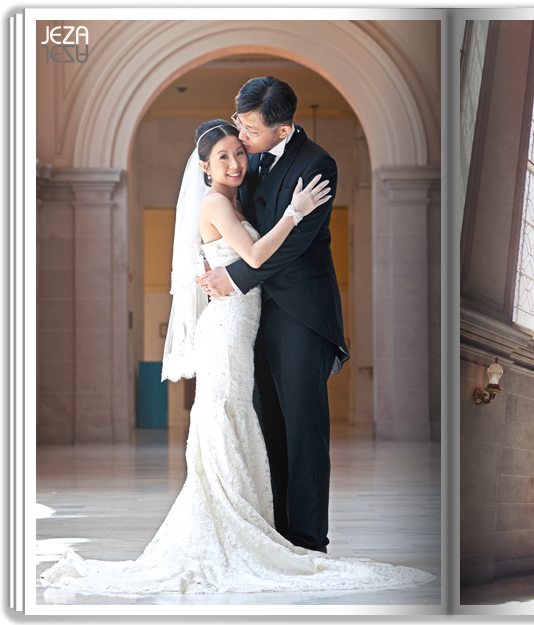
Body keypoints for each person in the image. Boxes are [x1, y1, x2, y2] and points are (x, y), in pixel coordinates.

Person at [39, 121, 433, 594]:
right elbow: (257, 256)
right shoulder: (213, 203)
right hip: (226, 329)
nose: (235, 163)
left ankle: (244, 520)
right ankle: (227, 525)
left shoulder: (233, 201)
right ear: (203, 166)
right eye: (223, 157)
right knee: (225, 414)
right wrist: (295, 211)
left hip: (242, 325)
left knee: (237, 418)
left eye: (238, 153)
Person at [197, 77, 348, 554]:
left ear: (282, 131)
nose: (240, 139)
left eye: (251, 131)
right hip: (254, 315)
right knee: (267, 424)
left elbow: (296, 245)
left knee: (304, 426)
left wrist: (235, 277)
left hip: (301, 312)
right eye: (239, 123)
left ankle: (307, 539)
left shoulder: (317, 164)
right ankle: (276, 530)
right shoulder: (247, 162)